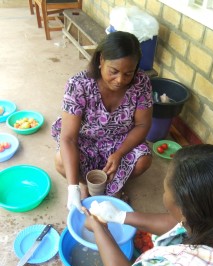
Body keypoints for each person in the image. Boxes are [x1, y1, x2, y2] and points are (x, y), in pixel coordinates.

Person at [82, 144, 213, 266]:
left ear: (185, 211)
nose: (164, 194)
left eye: (165, 190)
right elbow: (179, 224)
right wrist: (119, 216)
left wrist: (98, 229)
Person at [51, 31, 153, 211]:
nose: (120, 80)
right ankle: (86, 185)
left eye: (128, 73)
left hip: (120, 140)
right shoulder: (79, 84)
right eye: (113, 71)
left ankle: (114, 186)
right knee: (61, 161)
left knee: (143, 160)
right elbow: (68, 138)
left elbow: (142, 124)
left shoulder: (141, 83)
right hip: (85, 139)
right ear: (100, 60)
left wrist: (119, 153)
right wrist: (73, 187)